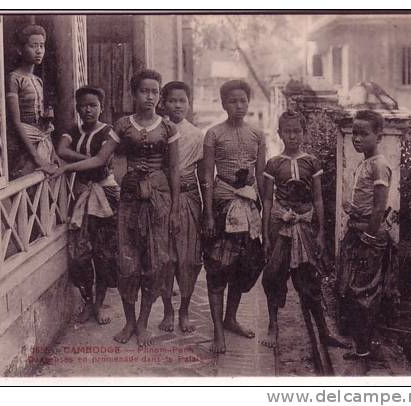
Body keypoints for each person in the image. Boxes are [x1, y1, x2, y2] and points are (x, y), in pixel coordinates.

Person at [56, 70, 180, 347]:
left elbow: (174, 169)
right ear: (134, 94)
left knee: (155, 263)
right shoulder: (123, 126)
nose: (149, 96)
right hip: (130, 199)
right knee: (127, 261)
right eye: (144, 91)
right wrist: (68, 167)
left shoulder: (169, 128)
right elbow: (101, 158)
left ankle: (144, 323)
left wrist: (174, 209)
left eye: (154, 91)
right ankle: (130, 323)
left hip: (159, 199)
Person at [260, 111, 349, 350]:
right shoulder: (274, 163)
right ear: (280, 134)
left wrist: (320, 232)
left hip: (306, 226)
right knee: (273, 276)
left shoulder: (312, 162)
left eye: (297, 131)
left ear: (304, 133)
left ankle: (324, 331)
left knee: (310, 279)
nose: (293, 136)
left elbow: (318, 199)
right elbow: (268, 200)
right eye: (287, 131)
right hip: (281, 227)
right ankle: (273, 325)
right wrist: (266, 233)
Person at [202, 79, 265, 354]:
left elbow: (262, 178)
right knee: (218, 266)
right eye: (233, 101)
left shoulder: (257, 135)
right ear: (223, 104)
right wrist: (208, 215)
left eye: (243, 100)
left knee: (243, 265)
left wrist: (265, 212)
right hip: (222, 201)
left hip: (249, 204)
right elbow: (206, 177)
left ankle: (231, 318)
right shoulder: (213, 134)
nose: (239, 106)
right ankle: (218, 331)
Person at [338, 110, 398, 368]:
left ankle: (365, 350)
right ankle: (361, 347)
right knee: (352, 291)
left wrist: (369, 236)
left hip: (368, 237)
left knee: (363, 293)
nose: (357, 138)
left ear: (379, 136)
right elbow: (364, 203)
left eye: (364, 133)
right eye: (355, 133)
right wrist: (351, 209)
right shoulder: (364, 163)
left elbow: (379, 207)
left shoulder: (379, 165)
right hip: (357, 232)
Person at [56, 86, 120, 325]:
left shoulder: (109, 132)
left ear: (101, 107)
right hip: (82, 195)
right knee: (79, 254)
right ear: (78, 108)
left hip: (106, 193)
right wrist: (92, 161)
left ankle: (99, 305)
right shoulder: (73, 130)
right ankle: (87, 300)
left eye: (93, 105)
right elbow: (61, 149)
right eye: (83, 105)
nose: (88, 109)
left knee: (103, 253)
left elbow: (101, 163)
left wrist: (71, 166)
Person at [158, 81, 204, 334]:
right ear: (163, 103)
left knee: (189, 257)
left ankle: (184, 310)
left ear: (189, 103)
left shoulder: (196, 135)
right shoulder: (158, 129)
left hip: (188, 199)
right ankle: (167, 310)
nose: (177, 105)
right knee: (165, 258)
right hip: (162, 198)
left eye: (182, 100)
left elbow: (203, 174)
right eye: (172, 100)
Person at [5, 24, 60, 179]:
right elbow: (16, 123)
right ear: (20, 49)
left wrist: (52, 152)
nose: (39, 51)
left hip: (41, 140)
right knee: (25, 187)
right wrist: (37, 159)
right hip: (23, 144)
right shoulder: (14, 78)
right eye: (33, 46)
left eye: (42, 46)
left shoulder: (38, 81)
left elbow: (44, 125)